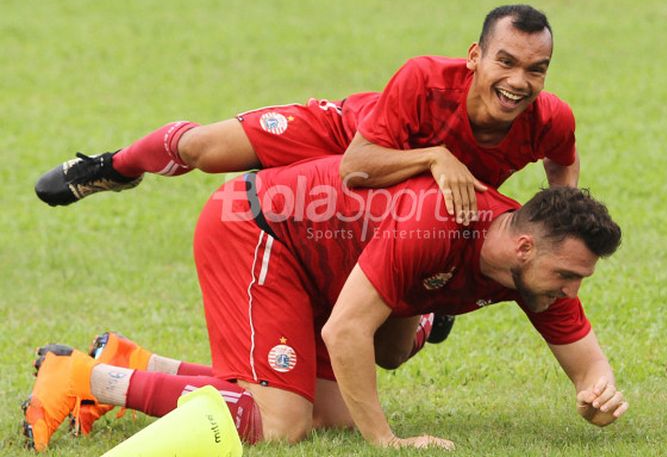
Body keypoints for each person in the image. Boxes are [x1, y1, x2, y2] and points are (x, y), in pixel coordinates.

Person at [24, 155, 627, 452]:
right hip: (260, 230)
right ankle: (83, 376)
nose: (570, 291)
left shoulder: (534, 270)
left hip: (325, 272)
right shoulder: (439, 225)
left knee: (332, 415)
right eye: (569, 275)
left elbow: (587, 363)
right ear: (523, 246)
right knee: (282, 423)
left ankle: (139, 362)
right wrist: (386, 440)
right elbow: (346, 332)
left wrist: (598, 397)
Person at [35, 4, 578, 224]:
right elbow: (357, 165)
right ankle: (116, 166)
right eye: (505, 62)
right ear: (475, 56)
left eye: (536, 69)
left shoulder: (551, 118)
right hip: (345, 135)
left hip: (400, 205)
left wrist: (563, 210)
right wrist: (436, 156)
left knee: (403, 291)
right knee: (202, 149)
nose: (518, 82)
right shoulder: (425, 78)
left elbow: (562, 163)